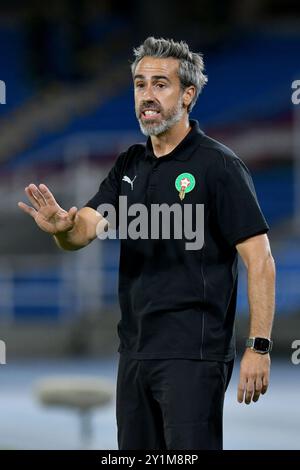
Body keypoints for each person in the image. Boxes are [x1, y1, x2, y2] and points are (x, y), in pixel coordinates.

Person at [18, 37, 275, 450]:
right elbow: (82, 231)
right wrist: (62, 227)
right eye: (140, 85)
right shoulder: (128, 165)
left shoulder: (219, 166)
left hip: (194, 354)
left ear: (188, 94)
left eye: (160, 84)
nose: (147, 96)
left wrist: (258, 347)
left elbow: (260, 260)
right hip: (135, 351)